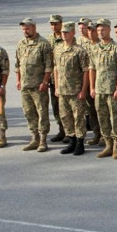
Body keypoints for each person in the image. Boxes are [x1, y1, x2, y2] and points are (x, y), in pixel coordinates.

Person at [89, 18, 117, 159]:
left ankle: (116, 146)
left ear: (109, 29)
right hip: (99, 90)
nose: (100, 32)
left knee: (115, 118)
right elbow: (92, 69)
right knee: (102, 118)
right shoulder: (95, 49)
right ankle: (108, 145)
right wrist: (92, 87)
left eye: (103, 29)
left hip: (112, 91)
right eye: (98, 30)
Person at [15, 18, 53, 152]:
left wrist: (45, 82)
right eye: (23, 29)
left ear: (34, 28)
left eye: (28, 28)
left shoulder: (43, 44)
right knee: (28, 112)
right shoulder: (21, 43)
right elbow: (18, 64)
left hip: (38, 86)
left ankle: (43, 140)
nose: (25, 31)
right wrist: (18, 80)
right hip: (25, 85)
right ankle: (34, 138)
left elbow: (49, 66)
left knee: (42, 112)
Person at [53, 21, 90, 156]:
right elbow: (56, 69)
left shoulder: (79, 51)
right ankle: (72, 140)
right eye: (63, 32)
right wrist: (56, 87)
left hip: (76, 91)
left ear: (73, 33)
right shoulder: (57, 49)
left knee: (78, 117)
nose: (64, 34)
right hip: (63, 90)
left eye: (67, 32)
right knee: (65, 117)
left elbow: (86, 71)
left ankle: (80, 142)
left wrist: (83, 90)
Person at [47, 14, 66, 143]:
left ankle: (70, 132)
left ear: (61, 24)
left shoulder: (66, 37)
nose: (54, 26)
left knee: (66, 108)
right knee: (56, 107)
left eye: (56, 24)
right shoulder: (49, 40)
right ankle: (61, 130)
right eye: (52, 24)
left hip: (66, 79)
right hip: (54, 79)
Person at [83, 21, 102, 146]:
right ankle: (97, 133)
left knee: (102, 111)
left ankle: (105, 135)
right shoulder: (84, 46)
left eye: (93, 30)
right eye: (89, 30)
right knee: (91, 111)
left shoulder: (103, 45)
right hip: (88, 84)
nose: (90, 32)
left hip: (101, 84)